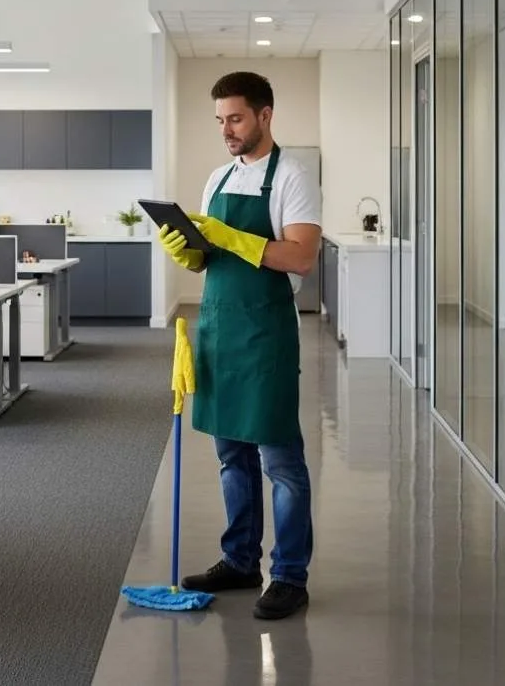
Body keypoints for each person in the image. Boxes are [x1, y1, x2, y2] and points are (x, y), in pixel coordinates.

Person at [157, 70, 322, 620]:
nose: (227, 129)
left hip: (266, 335)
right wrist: (191, 251)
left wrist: (232, 236)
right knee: (231, 457)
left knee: (280, 460)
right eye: (221, 120)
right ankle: (239, 560)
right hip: (220, 331)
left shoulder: (293, 176)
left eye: (236, 118)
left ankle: (290, 576)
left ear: (264, 115)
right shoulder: (218, 178)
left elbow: (301, 257)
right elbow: (211, 259)